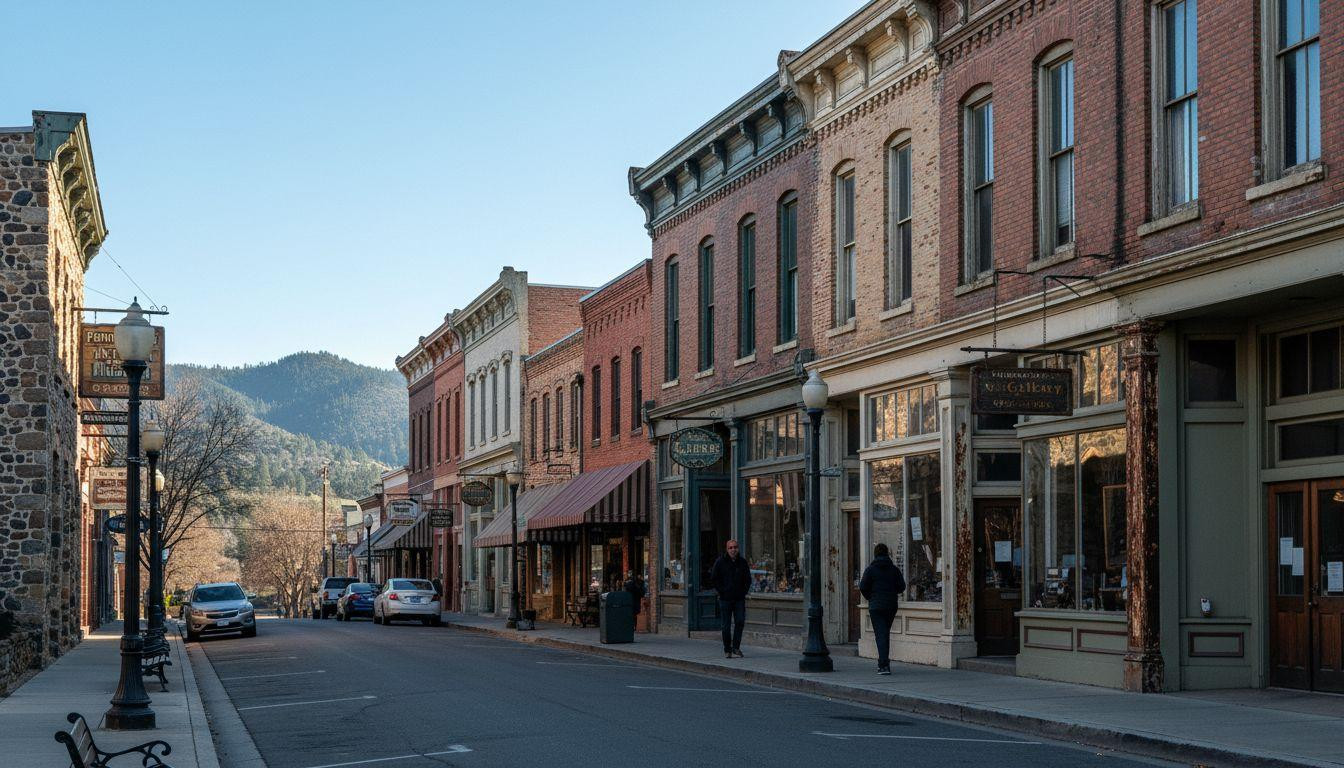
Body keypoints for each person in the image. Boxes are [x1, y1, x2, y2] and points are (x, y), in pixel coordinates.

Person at [859, 542, 906, 675]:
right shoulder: (894, 570)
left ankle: (883, 665)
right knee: (884, 633)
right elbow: (902, 587)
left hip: (876, 606)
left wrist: (870, 597)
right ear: (887, 554)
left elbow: (863, 586)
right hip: (891, 605)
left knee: (881, 634)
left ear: (875, 554)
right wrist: (892, 592)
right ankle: (884, 662)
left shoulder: (870, 569)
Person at [709, 539, 751, 658]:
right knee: (725, 625)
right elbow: (714, 578)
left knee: (740, 622)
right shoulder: (720, 562)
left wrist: (743, 592)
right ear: (727, 549)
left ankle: (736, 647)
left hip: (739, 599)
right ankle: (727, 649)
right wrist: (722, 591)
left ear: (738, 549)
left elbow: (747, 579)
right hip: (725, 599)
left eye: (735, 547)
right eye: (731, 548)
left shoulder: (742, 562)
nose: (733, 550)